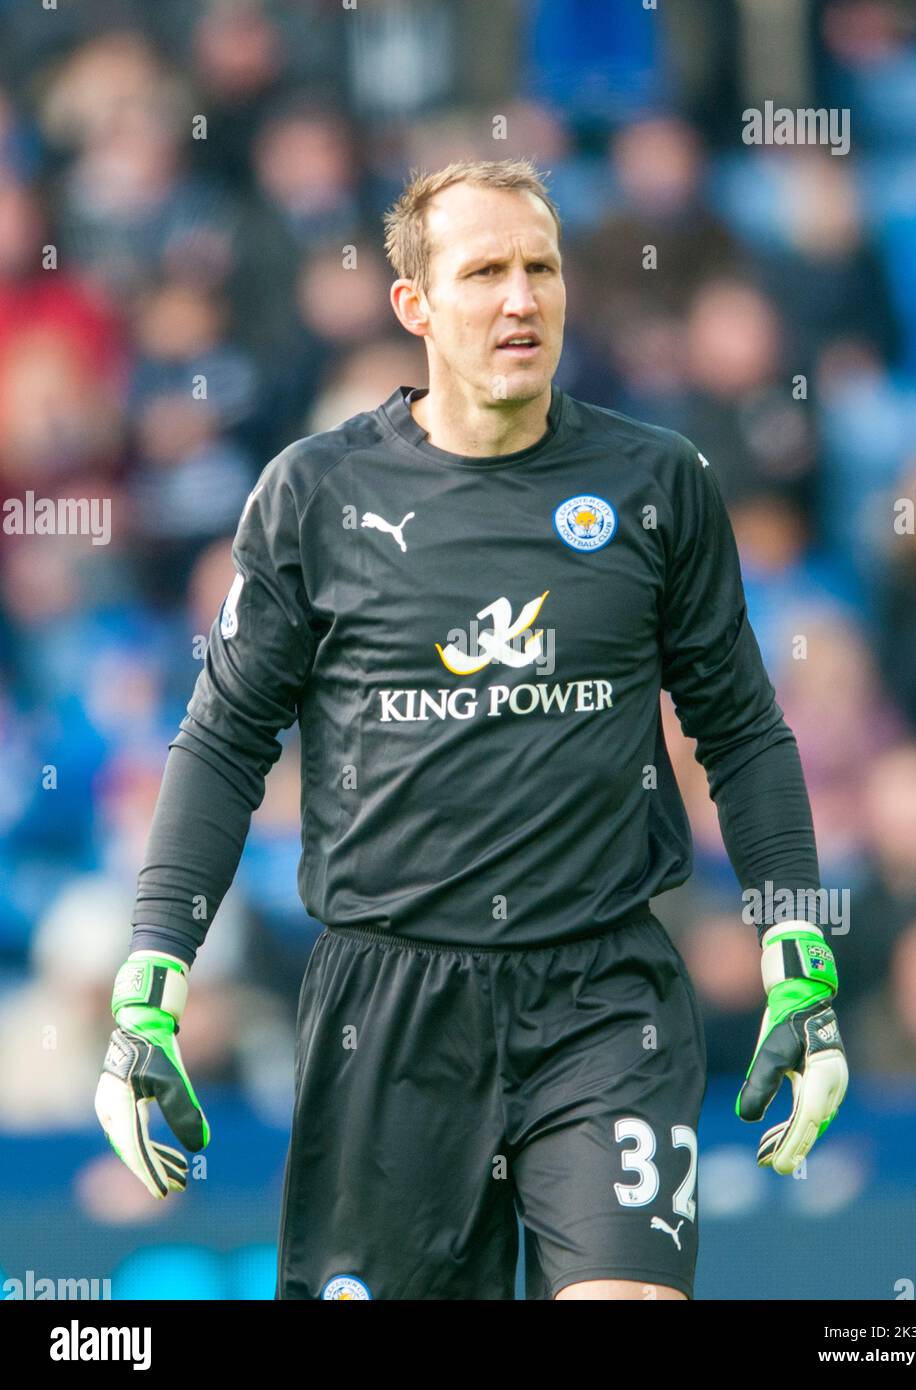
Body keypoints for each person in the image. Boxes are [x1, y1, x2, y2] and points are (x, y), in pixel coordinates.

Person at [94, 158, 848, 1301]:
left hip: (602, 996)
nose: (520, 299)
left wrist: (796, 949)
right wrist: (152, 974)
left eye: (540, 268)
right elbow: (221, 742)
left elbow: (740, 729)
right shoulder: (315, 497)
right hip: (388, 1015)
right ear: (415, 306)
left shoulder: (655, 485)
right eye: (484, 271)